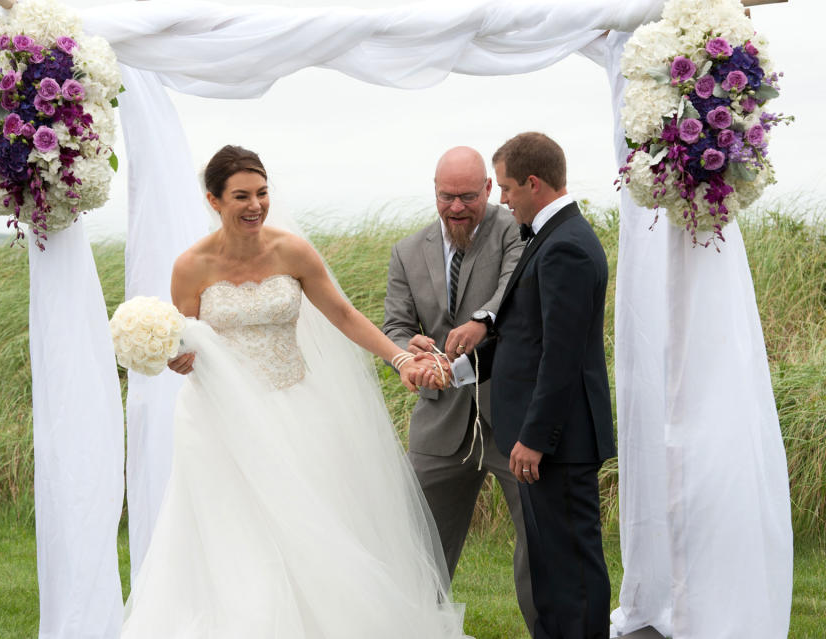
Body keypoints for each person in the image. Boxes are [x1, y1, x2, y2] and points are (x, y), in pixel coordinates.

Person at [120, 145, 467, 638]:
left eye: (262, 193)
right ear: (213, 200)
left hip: (293, 408)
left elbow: (344, 315)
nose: (255, 205)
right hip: (218, 420)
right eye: (241, 195)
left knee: (303, 525)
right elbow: (187, 343)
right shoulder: (190, 267)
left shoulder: (292, 252)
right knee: (234, 530)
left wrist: (401, 358)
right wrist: (176, 358)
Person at [423, 133, 616, 639]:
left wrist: (534, 438)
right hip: (548, 439)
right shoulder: (552, 239)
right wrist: (454, 370)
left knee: (572, 569)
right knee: (552, 568)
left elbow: (561, 357)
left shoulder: (567, 247)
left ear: (533, 183)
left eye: (506, 188)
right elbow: (522, 340)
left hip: (557, 442)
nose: (503, 200)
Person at [382, 146, 536, 633]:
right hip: (438, 423)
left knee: (539, 539)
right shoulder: (407, 251)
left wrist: (478, 326)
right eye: (446, 196)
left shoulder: (517, 230)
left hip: (511, 418)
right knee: (416, 544)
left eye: (468, 196)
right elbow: (395, 328)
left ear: (489, 190)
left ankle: (548, 628)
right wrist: (413, 352)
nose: (456, 207)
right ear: (434, 191)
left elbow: (510, 292)